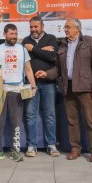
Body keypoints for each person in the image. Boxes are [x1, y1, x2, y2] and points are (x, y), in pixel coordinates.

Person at [0, 24, 37, 162]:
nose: (14, 37)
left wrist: (33, 86)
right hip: (0, 90)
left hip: (17, 90)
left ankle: (15, 151)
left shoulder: (22, 49)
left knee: (16, 122)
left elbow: (28, 70)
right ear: (5, 34)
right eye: (11, 34)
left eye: (15, 34)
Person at [57, 18, 92, 162]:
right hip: (68, 87)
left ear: (77, 28)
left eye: (68, 27)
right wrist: (46, 74)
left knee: (90, 121)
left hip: (85, 88)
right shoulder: (62, 45)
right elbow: (58, 69)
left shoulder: (89, 42)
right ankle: (75, 149)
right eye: (65, 27)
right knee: (72, 121)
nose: (65, 30)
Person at [22, 16, 59, 157]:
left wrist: (34, 49)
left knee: (50, 115)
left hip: (48, 84)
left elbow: (53, 57)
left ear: (42, 26)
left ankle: (51, 145)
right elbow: (26, 60)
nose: (33, 29)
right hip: (31, 85)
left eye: (36, 27)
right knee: (31, 115)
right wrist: (43, 50)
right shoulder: (26, 41)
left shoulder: (51, 38)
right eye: (31, 27)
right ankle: (32, 145)